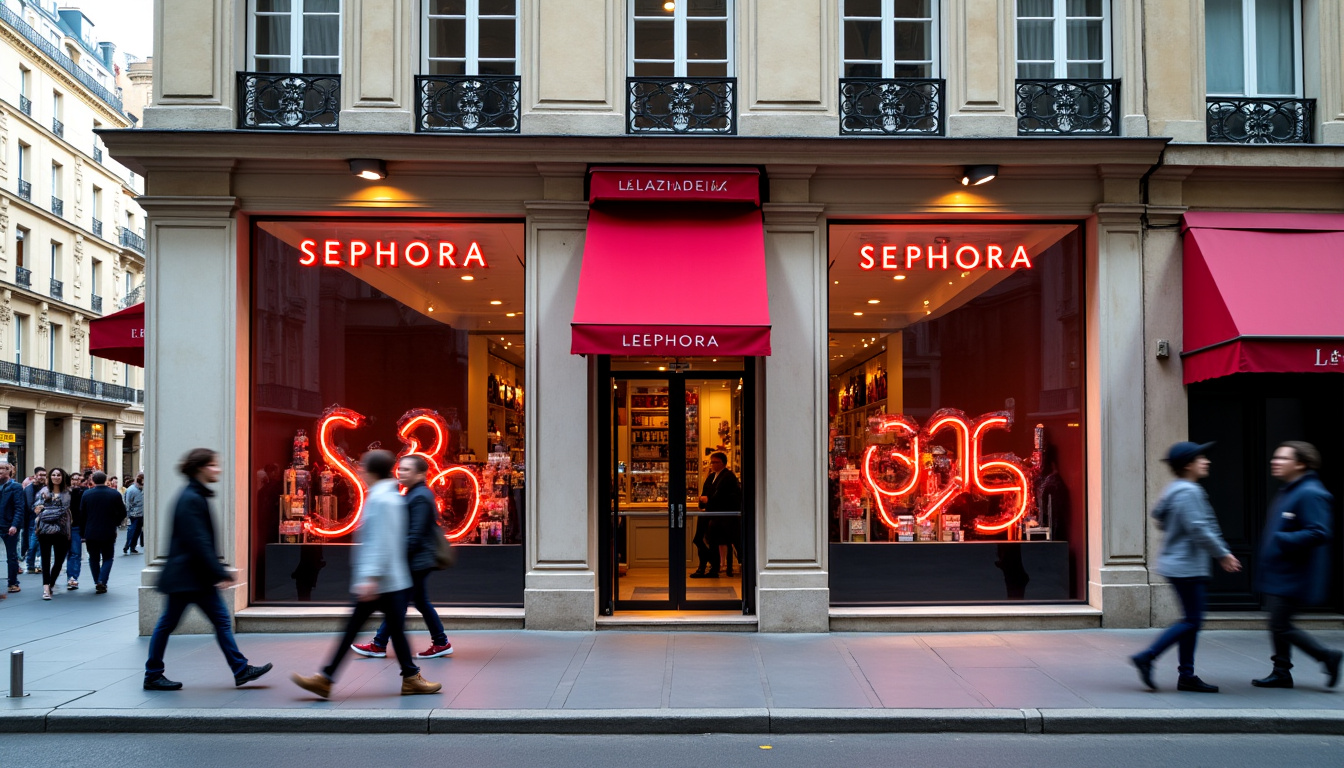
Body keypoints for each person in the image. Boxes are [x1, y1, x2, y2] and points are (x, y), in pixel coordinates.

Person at [292, 450, 441, 698]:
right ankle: (410, 677)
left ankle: (327, 678)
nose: (360, 472)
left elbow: (380, 541)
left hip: (382, 581)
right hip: (391, 579)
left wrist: (370, 577)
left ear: (371, 472)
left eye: (363, 468)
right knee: (393, 629)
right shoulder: (390, 496)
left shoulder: (382, 499)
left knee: (356, 628)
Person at [143, 448, 272, 691]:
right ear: (201, 468)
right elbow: (198, 541)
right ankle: (153, 674)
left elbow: (199, 541)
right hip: (189, 577)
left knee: (201, 621)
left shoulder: (193, 495)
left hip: (190, 576)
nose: (218, 469)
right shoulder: (192, 497)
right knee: (174, 624)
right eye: (213, 465)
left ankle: (239, 669)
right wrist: (220, 571)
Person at [1129, 442, 1241, 693]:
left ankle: (1186, 675)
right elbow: (1199, 528)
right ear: (1188, 464)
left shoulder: (1174, 490)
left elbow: (1160, 516)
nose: (1207, 461)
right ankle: (1148, 656)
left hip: (1179, 563)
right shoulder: (1189, 492)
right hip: (1187, 566)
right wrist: (1223, 554)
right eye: (1202, 458)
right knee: (1192, 621)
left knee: (1191, 620)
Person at [1249, 441, 1343, 689]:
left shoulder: (1311, 492)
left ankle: (1327, 656)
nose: (1274, 461)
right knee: (1278, 624)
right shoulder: (1290, 490)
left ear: (1300, 463)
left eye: (1282, 458)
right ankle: (1281, 671)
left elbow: (1319, 532)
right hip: (1282, 572)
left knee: (1279, 625)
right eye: (1275, 457)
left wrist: (1283, 540)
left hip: (1295, 574)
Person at [351, 455, 453, 660]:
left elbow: (415, 535)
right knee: (418, 602)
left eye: (407, 469)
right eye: (400, 468)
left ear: (421, 474)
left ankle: (380, 644)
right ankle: (440, 642)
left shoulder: (420, 496)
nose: (401, 472)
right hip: (418, 560)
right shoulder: (414, 493)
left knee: (398, 604)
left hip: (417, 561)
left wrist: (396, 555)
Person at [691, 452, 741, 579]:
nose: (713, 464)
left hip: (722, 517)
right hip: (709, 513)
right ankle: (708, 564)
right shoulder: (711, 476)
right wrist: (702, 502)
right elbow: (705, 492)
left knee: (712, 540)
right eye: (711, 462)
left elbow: (724, 497)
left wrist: (708, 500)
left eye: (716, 462)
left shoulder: (728, 476)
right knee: (698, 539)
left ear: (723, 463)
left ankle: (709, 567)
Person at [81, 471, 127, 594]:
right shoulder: (114, 494)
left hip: (91, 531)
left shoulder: (87, 494)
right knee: (108, 557)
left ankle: (97, 580)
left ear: (93, 481)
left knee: (94, 558)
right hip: (108, 530)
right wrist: (115, 522)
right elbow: (123, 512)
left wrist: (83, 531)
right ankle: (102, 580)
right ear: (106, 480)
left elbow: (82, 514)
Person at [34, 468, 74, 601]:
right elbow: (36, 509)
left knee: (59, 560)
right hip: (45, 531)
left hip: (62, 531)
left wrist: (46, 511)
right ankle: (46, 588)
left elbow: (63, 508)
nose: (56, 477)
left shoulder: (68, 493)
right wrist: (45, 511)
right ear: (50, 477)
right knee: (45, 560)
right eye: (53, 475)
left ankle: (51, 583)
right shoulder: (43, 491)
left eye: (58, 475)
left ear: (62, 477)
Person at [64, 470, 91, 590]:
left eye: (78, 479)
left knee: (75, 553)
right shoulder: (64, 492)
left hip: (76, 526)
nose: (75, 481)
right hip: (63, 527)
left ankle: (72, 577)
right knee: (62, 554)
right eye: (73, 479)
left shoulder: (84, 493)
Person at [1, 464, 25, 597]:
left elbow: (19, 507)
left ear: (8, 471)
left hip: (9, 525)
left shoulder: (15, 486)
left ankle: (13, 583)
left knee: (11, 556)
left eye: (2, 469)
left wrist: (15, 525)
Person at [22, 467, 46, 574]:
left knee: (42, 544)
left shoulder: (47, 488)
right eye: (40, 475)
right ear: (35, 475)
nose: (42, 477)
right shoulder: (28, 489)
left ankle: (39, 564)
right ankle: (30, 565)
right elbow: (28, 505)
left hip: (45, 519)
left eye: (44, 475)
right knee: (32, 544)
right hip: (32, 520)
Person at [124, 473, 145, 555]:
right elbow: (128, 503)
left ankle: (132, 546)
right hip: (134, 514)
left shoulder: (141, 489)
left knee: (137, 531)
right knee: (132, 530)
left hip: (140, 513)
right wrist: (128, 513)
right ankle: (128, 545)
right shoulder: (131, 490)